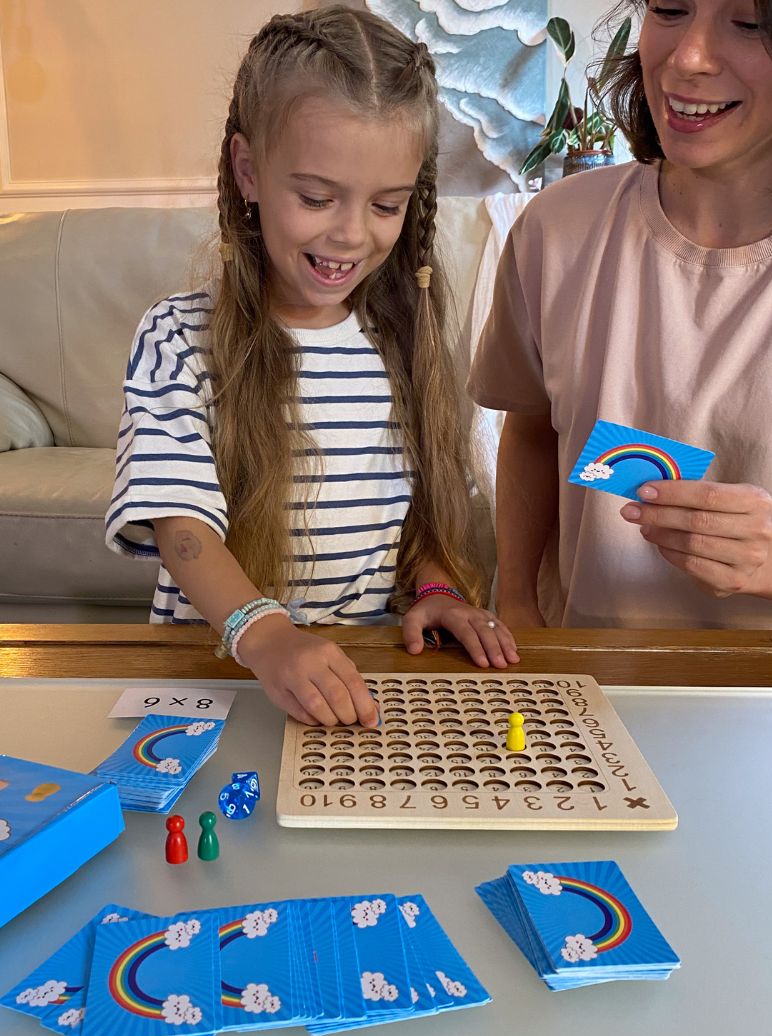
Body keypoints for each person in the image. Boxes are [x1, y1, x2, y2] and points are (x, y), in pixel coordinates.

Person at [107, 6, 519, 729]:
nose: (351, 234)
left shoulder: (402, 341)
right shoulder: (180, 336)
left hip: (353, 686)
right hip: (217, 680)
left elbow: (424, 525)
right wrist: (265, 637)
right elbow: (180, 526)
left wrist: (441, 593)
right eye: (317, 198)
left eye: (386, 204)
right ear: (248, 171)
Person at [469, 0, 772, 630]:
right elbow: (532, 433)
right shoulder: (556, 231)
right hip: (581, 689)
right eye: (671, 10)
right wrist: (515, 603)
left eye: (750, 24)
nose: (687, 59)